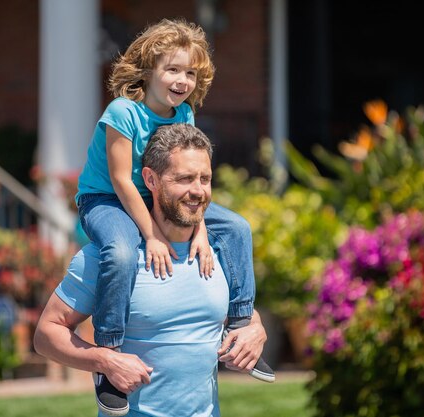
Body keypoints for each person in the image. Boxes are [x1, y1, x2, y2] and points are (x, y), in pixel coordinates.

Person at [75, 18, 275, 415]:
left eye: (190, 72)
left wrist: (199, 229)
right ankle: (109, 356)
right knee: (120, 251)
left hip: (156, 195)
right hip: (106, 199)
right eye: (172, 69)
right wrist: (150, 234)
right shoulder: (122, 112)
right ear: (148, 70)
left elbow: (189, 185)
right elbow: (120, 179)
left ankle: (238, 327)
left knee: (236, 227)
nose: (182, 80)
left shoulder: (183, 115)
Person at [35, 124, 269, 417]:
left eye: (205, 179)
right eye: (184, 179)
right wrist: (104, 360)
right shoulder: (112, 256)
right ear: (151, 180)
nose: (197, 191)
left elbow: (225, 310)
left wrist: (256, 328)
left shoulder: (219, 251)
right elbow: (46, 334)